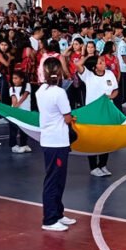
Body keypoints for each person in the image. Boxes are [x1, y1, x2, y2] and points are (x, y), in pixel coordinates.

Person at [35, 58, 77, 231]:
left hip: (49, 139)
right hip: (57, 141)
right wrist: (71, 119)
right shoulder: (59, 93)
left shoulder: (40, 91)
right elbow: (67, 117)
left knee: (57, 179)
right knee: (54, 180)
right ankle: (50, 219)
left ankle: (58, 213)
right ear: (59, 73)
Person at [8, 70, 33, 153]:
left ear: (22, 79)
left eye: (16, 78)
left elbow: (25, 95)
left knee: (24, 129)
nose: (14, 80)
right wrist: (15, 108)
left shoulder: (27, 85)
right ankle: (13, 145)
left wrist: (18, 104)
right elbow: (13, 98)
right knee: (13, 130)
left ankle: (24, 144)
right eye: (13, 78)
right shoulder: (12, 88)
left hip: (25, 112)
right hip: (15, 113)